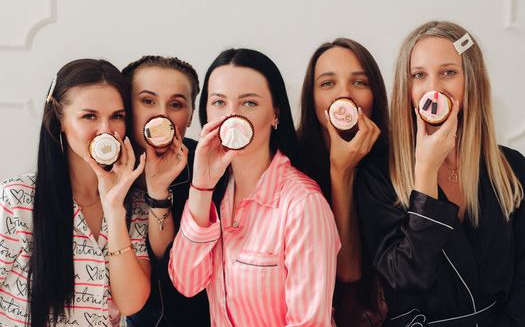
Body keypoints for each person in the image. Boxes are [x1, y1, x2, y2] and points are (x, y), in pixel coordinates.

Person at [356, 21, 525, 326]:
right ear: (407, 88)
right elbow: (405, 278)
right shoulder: (377, 178)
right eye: (419, 75)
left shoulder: (512, 169)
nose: (432, 89)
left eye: (448, 72)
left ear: (470, 80)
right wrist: (425, 172)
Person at [169, 48, 340, 326]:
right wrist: (201, 187)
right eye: (219, 102)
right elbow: (187, 282)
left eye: (249, 103)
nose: (232, 116)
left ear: (275, 114)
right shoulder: (216, 194)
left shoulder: (302, 204)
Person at [0, 59, 150, 326]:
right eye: (89, 116)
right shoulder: (16, 201)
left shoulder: (135, 207)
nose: (106, 130)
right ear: (60, 123)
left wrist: (114, 209)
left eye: (117, 116)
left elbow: (131, 302)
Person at [297, 38, 388, 326]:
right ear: (311, 98)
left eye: (359, 83)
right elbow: (341, 271)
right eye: (327, 84)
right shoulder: (289, 161)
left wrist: (344, 171)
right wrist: (340, 170)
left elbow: (353, 274)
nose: (344, 95)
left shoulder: (396, 164)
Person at [122, 56, 210, 326]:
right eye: (148, 101)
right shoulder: (109, 170)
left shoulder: (209, 166)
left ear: (191, 116)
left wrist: (159, 192)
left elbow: (175, 270)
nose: (162, 115)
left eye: (176, 104)